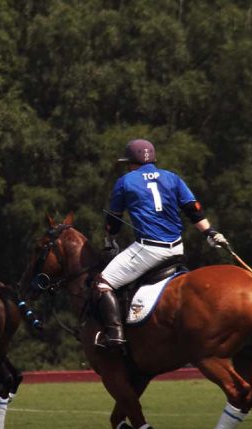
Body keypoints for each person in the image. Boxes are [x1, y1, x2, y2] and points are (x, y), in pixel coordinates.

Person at [95, 138, 228, 349]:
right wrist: (210, 232)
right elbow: (193, 210)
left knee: (103, 282)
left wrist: (110, 237)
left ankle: (115, 335)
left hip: (149, 249)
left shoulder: (125, 181)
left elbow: (114, 221)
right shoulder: (172, 178)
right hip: (177, 247)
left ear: (131, 162)